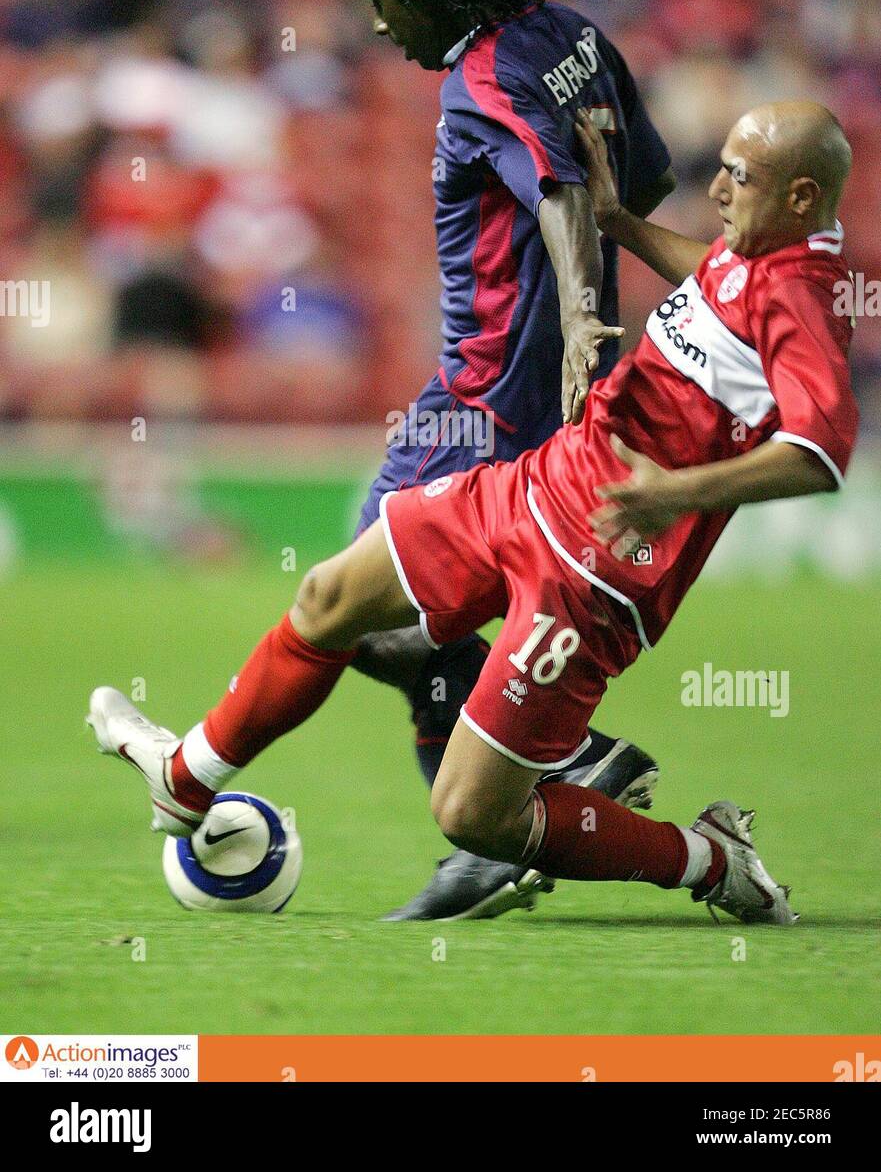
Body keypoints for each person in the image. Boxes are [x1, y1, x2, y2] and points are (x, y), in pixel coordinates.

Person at [87, 99, 857, 925]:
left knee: (473, 815)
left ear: (803, 197)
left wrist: (671, 493)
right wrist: (619, 222)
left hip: (596, 572)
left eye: (738, 176)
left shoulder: (802, 297)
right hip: (535, 489)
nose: (717, 191)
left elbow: (820, 454)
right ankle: (185, 780)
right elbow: (714, 275)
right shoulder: (755, 252)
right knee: (331, 600)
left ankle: (706, 859)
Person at [350, 0, 674, 918]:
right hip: (544, 400)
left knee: (364, 618)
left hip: (476, 400)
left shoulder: (480, 82)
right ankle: (502, 823)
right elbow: (644, 177)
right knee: (410, 621)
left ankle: (560, 759)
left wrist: (575, 317)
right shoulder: (572, 34)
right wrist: (577, 320)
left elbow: (557, 186)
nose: (374, 20)